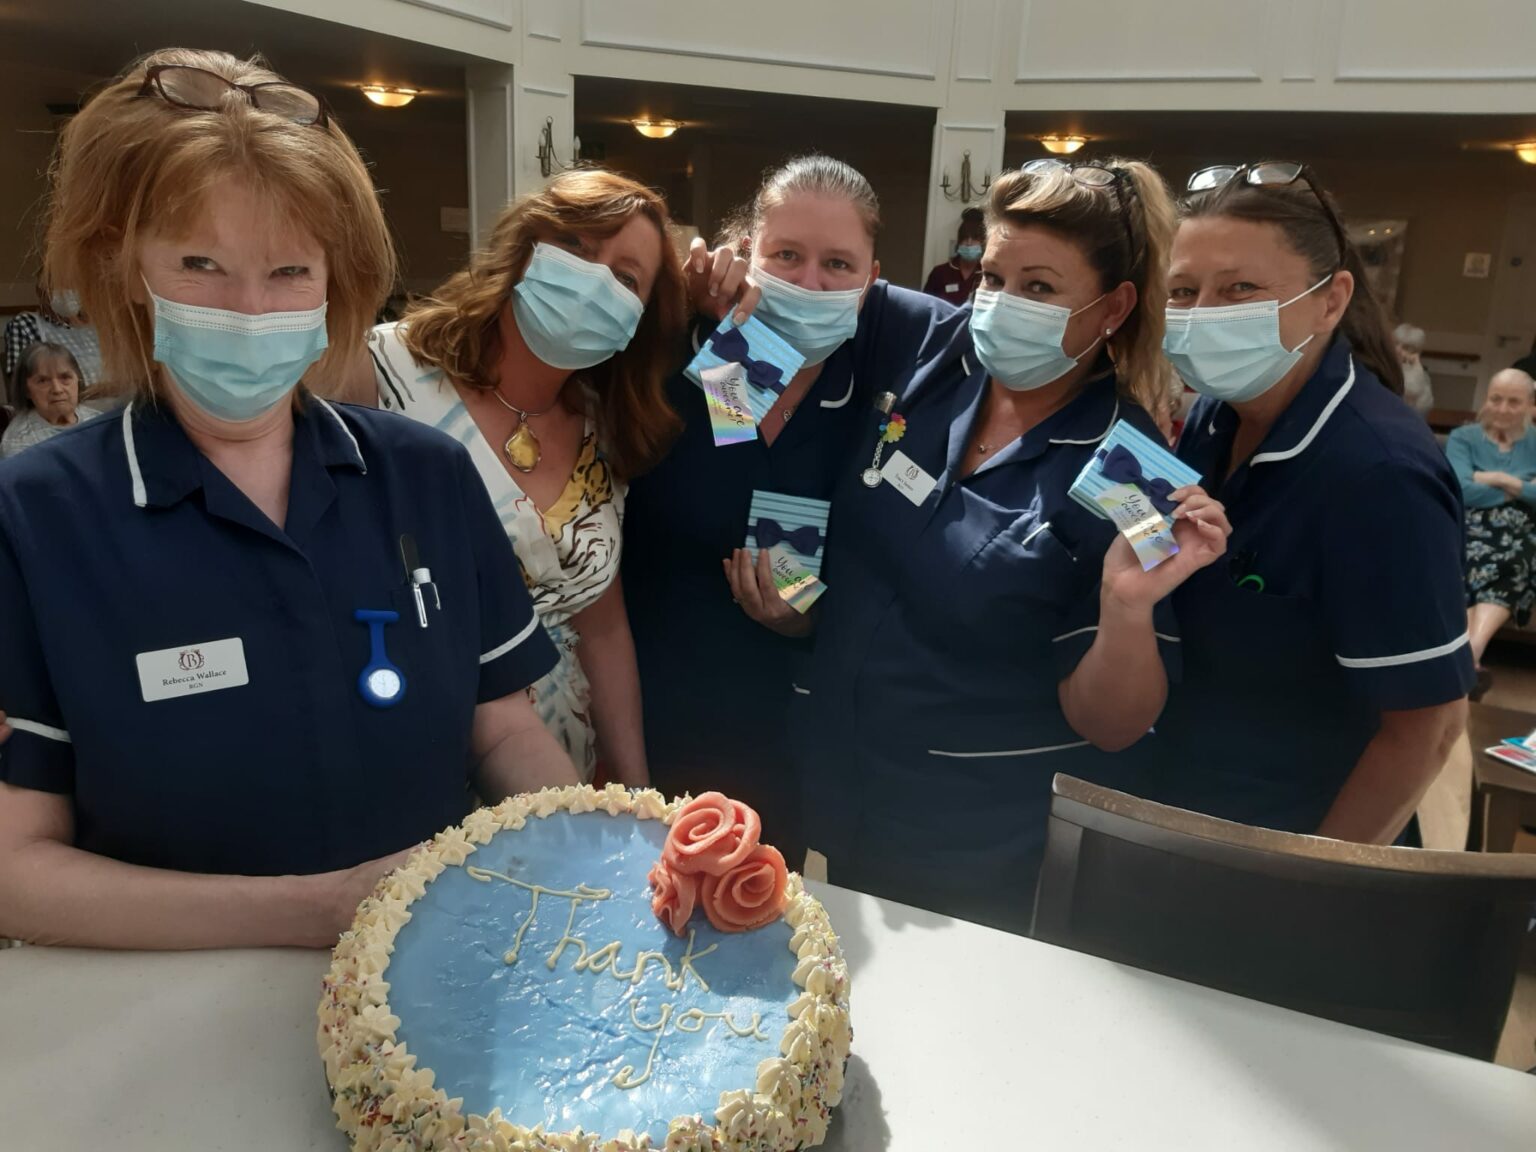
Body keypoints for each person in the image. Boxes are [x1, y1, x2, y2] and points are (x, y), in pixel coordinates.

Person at [0, 48, 576, 951]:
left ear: (335, 284)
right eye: (200, 264)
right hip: (164, 1028)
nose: (248, 311)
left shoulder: (423, 474)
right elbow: (16, 867)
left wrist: (579, 849)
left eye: (288, 274)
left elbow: (500, 728)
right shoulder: (37, 514)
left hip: (430, 993)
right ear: (124, 268)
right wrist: (318, 910)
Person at [785, 158, 1230, 932]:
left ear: (1113, 307)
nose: (999, 304)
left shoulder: (1131, 466)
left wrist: (1126, 606)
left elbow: (1115, 724)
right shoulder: (939, 353)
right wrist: (719, 277)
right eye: (991, 275)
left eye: (1039, 287)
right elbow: (800, 285)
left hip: (978, 845)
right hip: (843, 786)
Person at [623, 155, 963, 865]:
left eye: (838, 264)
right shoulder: (709, 357)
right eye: (786, 255)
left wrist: (804, 615)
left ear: (874, 279)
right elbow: (718, 474)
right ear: (743, 254)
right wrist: (688, 300)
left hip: (790, 735)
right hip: (650, 713)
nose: (810, 282)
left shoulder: (876, 383)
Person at [1147, 161, 1472, 843]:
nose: (1204, 315)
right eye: (1184, 290)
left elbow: (1428, 726)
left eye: (1240, 289)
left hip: (1289, 847)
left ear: (1332, 300)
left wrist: (1308, 884)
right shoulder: (1216, 415)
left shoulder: (1379, 475)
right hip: (1182, 814)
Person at [366, 170, 687, 785]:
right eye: (578, 248)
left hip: (561, 771)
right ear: (527, 245)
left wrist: (635, 796)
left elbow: (603, 625)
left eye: (624, 278)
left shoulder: (605, 427)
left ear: (636, 322)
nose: (594, 282)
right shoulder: (382, 372)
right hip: (418, 752)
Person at [1446, 368, 1536, 682]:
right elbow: (1460, 488)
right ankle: (1469, 659)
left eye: (1514, 402)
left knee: (1511, 559)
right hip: (1466, 523)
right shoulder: (1463, 438)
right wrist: (1520, 486)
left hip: (1520, 531)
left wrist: (1488, 477)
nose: (1502, 408)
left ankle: (1469, 651)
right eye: (1496, 399)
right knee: (1461, 555)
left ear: (1530, 407)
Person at [0, 342, 102, 459]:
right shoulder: (19, 444)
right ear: (26, 390)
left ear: (78, 380)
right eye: (43, 381)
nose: (57, 390)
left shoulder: (97, 420)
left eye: (65, 377)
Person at [2, 282, 104, 391]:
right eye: (59, 285)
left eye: (73, 285)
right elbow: (19, 387)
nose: (68, 292)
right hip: (69, 405)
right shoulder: (26, 323)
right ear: (40, 291)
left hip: (114, 403)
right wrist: (97, 391)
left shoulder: (98, 326)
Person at [921, 207, 984, 302]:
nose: (969, 243)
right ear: (958, 242)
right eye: (965, 238)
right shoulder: (940, 273)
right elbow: (925, 304)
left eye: (974, 239)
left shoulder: (986, 276)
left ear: (982, 244)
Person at [1395, 322, 1434, 416]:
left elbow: (1412, 391)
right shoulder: (1382, 367)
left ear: (1415, 352)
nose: (1398, 350)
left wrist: (1416, 366)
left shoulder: (1419, 374)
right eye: (1395, 343)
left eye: (1406, 347)